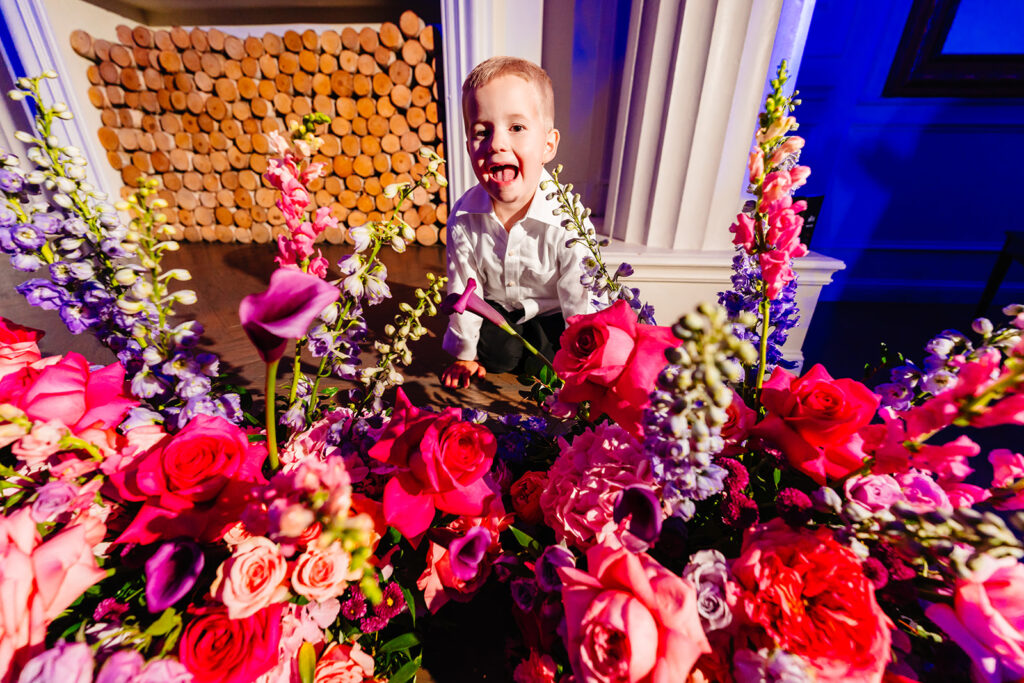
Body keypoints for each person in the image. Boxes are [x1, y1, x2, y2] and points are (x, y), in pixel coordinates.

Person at [440, 56, 593, 389]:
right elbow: (463, 287)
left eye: (517, 128)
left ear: (548, 145)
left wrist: (586, 354)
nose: (496, 143)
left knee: (553, 363)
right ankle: (513, 346)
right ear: (468, 147)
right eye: (482, 131)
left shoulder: (567, 221)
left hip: (554, 310)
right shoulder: (464, 219)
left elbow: (579, 294)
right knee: (496, 357)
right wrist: (464, 353)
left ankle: (543, 348)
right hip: (501, 309)